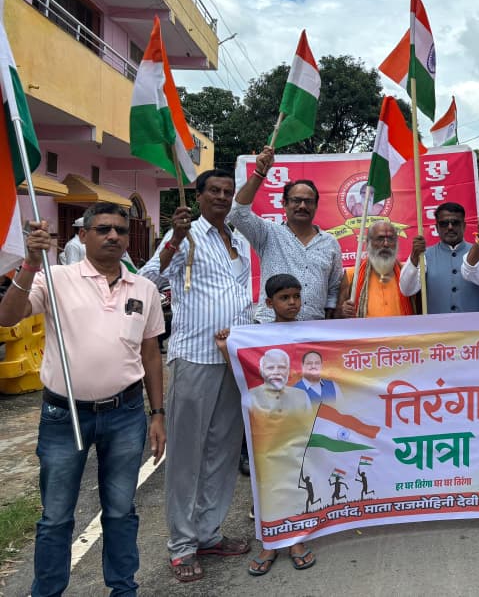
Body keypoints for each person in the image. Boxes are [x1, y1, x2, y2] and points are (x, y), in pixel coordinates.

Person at [0, 203, 165, 596]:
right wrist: (30, 263)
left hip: (126, 414)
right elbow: (8, 317)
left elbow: (151, 354)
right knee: (56, 517)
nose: (113, 236)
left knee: (121, 511)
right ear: (84, 235)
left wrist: (158, 413)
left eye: (120, 230)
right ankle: (47, 591)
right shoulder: (55, 278)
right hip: (65, 416)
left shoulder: (143, 288)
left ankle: (123, 588)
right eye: (104, 229)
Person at [141, 169, 253, 583]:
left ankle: (209, 532)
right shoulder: (184, 236)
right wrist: (173, 238)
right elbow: (148, 279)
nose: (222, 197)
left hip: (233, 359)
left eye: (228, 191)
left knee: (223, 450)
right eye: (214, 191)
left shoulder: (237, 239)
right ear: (200, 196)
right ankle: (182, 544)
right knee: (187, 455)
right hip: (195, 358)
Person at [216, 278, 315, 576]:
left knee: (295, 486)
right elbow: (242, 372)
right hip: (264, 435)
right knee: (266, 489)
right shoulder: (256, 337)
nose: (293, 303)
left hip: (294, 436)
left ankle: (296, 541)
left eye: (296, 296)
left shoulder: (311, 333)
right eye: (285, 297)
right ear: (270, 303)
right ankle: (270, 543)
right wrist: (226, 347)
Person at [230, 146, 343, 322]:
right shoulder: (268, 233)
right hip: (271, 326)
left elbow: (334, 287)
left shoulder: (330, 242)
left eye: (308, 201)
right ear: (284, 204)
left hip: (314, 328)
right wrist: (259, 173)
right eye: (296, 200)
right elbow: (237, 214)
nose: (302, 206)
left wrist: (328, 320)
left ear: (316, 206)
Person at [400, 202, 479, 313]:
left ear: (464, 226)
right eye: (444, 224)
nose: (450, 227)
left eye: (455, 223)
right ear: (437, 227)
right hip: (437, 323)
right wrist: (414, 256)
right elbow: (407, 290)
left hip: (475, 323)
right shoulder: (424, 256)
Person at [338, 220, 415, 317]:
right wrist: (343, 311)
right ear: (368, 243)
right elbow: (336, 315)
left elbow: (420, 311)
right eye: (380, 239)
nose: (386, 244)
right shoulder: (352, 275)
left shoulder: (407, 274)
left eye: (390, 239)